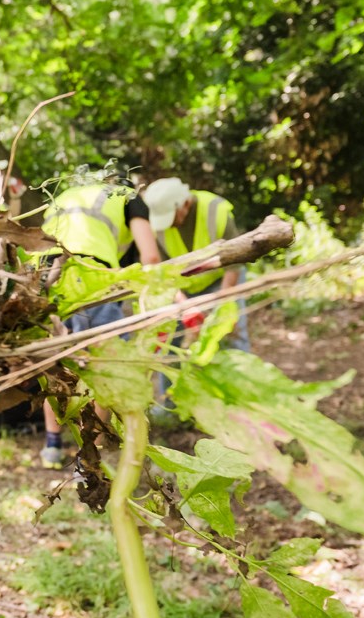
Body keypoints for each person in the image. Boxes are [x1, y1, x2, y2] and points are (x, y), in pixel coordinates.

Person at [35, 178, 159, 467]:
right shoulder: (129, 198)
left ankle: (52, 447)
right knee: (105, 368)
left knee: (54, 364)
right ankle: (88, 458)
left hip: (41, 275)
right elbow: (150, 255)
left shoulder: (69, 193)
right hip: (89, 273)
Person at [144, 176, 247, 349]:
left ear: (183, 204)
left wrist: (223, 305)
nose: (168, 225)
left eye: (171, 217)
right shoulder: (157, 226)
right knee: (169, 343)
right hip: (181, 287)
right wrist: (184, 305)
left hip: (220, 280)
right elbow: (162, 273)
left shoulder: (215, 210)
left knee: (232, 334)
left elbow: (234, 264)